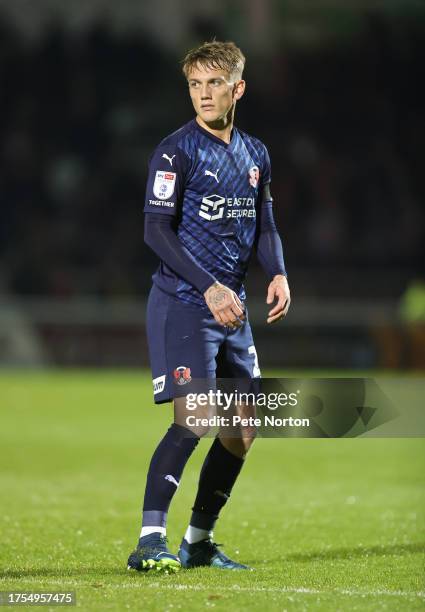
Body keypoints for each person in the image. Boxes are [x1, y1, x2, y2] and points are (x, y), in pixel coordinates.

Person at [127, 40, 291, 573]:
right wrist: (209, 286)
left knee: (243, 429)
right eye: (195, 84)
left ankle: (198, 542)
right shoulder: (176, 152)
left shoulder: (256, 154)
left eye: (214, 83)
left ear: (237, 88)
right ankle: (150, 540)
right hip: (184, 302)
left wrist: (280, 272)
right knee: (195, 418)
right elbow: (155, 229)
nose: (203, 94)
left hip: (233, 310)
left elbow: (264, 224)